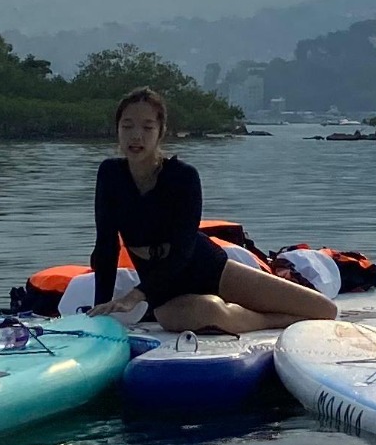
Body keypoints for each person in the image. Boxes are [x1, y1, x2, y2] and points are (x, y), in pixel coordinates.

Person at [90, 87, 337, 336]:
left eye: (147, 127)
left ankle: (256, 315)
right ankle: (266, 320)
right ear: (117, 129)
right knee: (209, 312)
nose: (136, 136)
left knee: (323, 309)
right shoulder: (110, 175)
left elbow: (183, 250)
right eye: (128, 126)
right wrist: (98, 309)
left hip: (205, 267)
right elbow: (106, 247)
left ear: (161, 132)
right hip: (165, 294)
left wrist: (136, 295)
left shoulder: (183, 177)